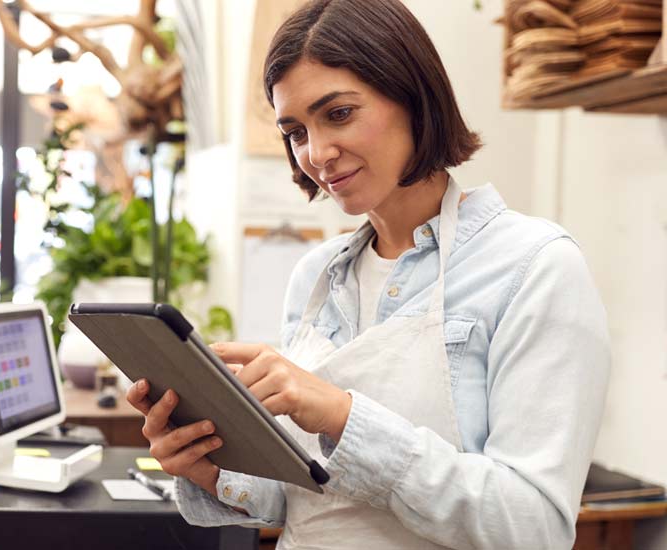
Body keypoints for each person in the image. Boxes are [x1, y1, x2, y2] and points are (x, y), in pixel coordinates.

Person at [125, 0, 611, 548]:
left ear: (412, 95)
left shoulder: (535, 266)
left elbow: (534, 527)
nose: (317, 153)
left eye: (338, 114)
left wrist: (341, 414)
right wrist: (207, 466)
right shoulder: (316, 276)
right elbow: (307, 493)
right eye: (295, 131)